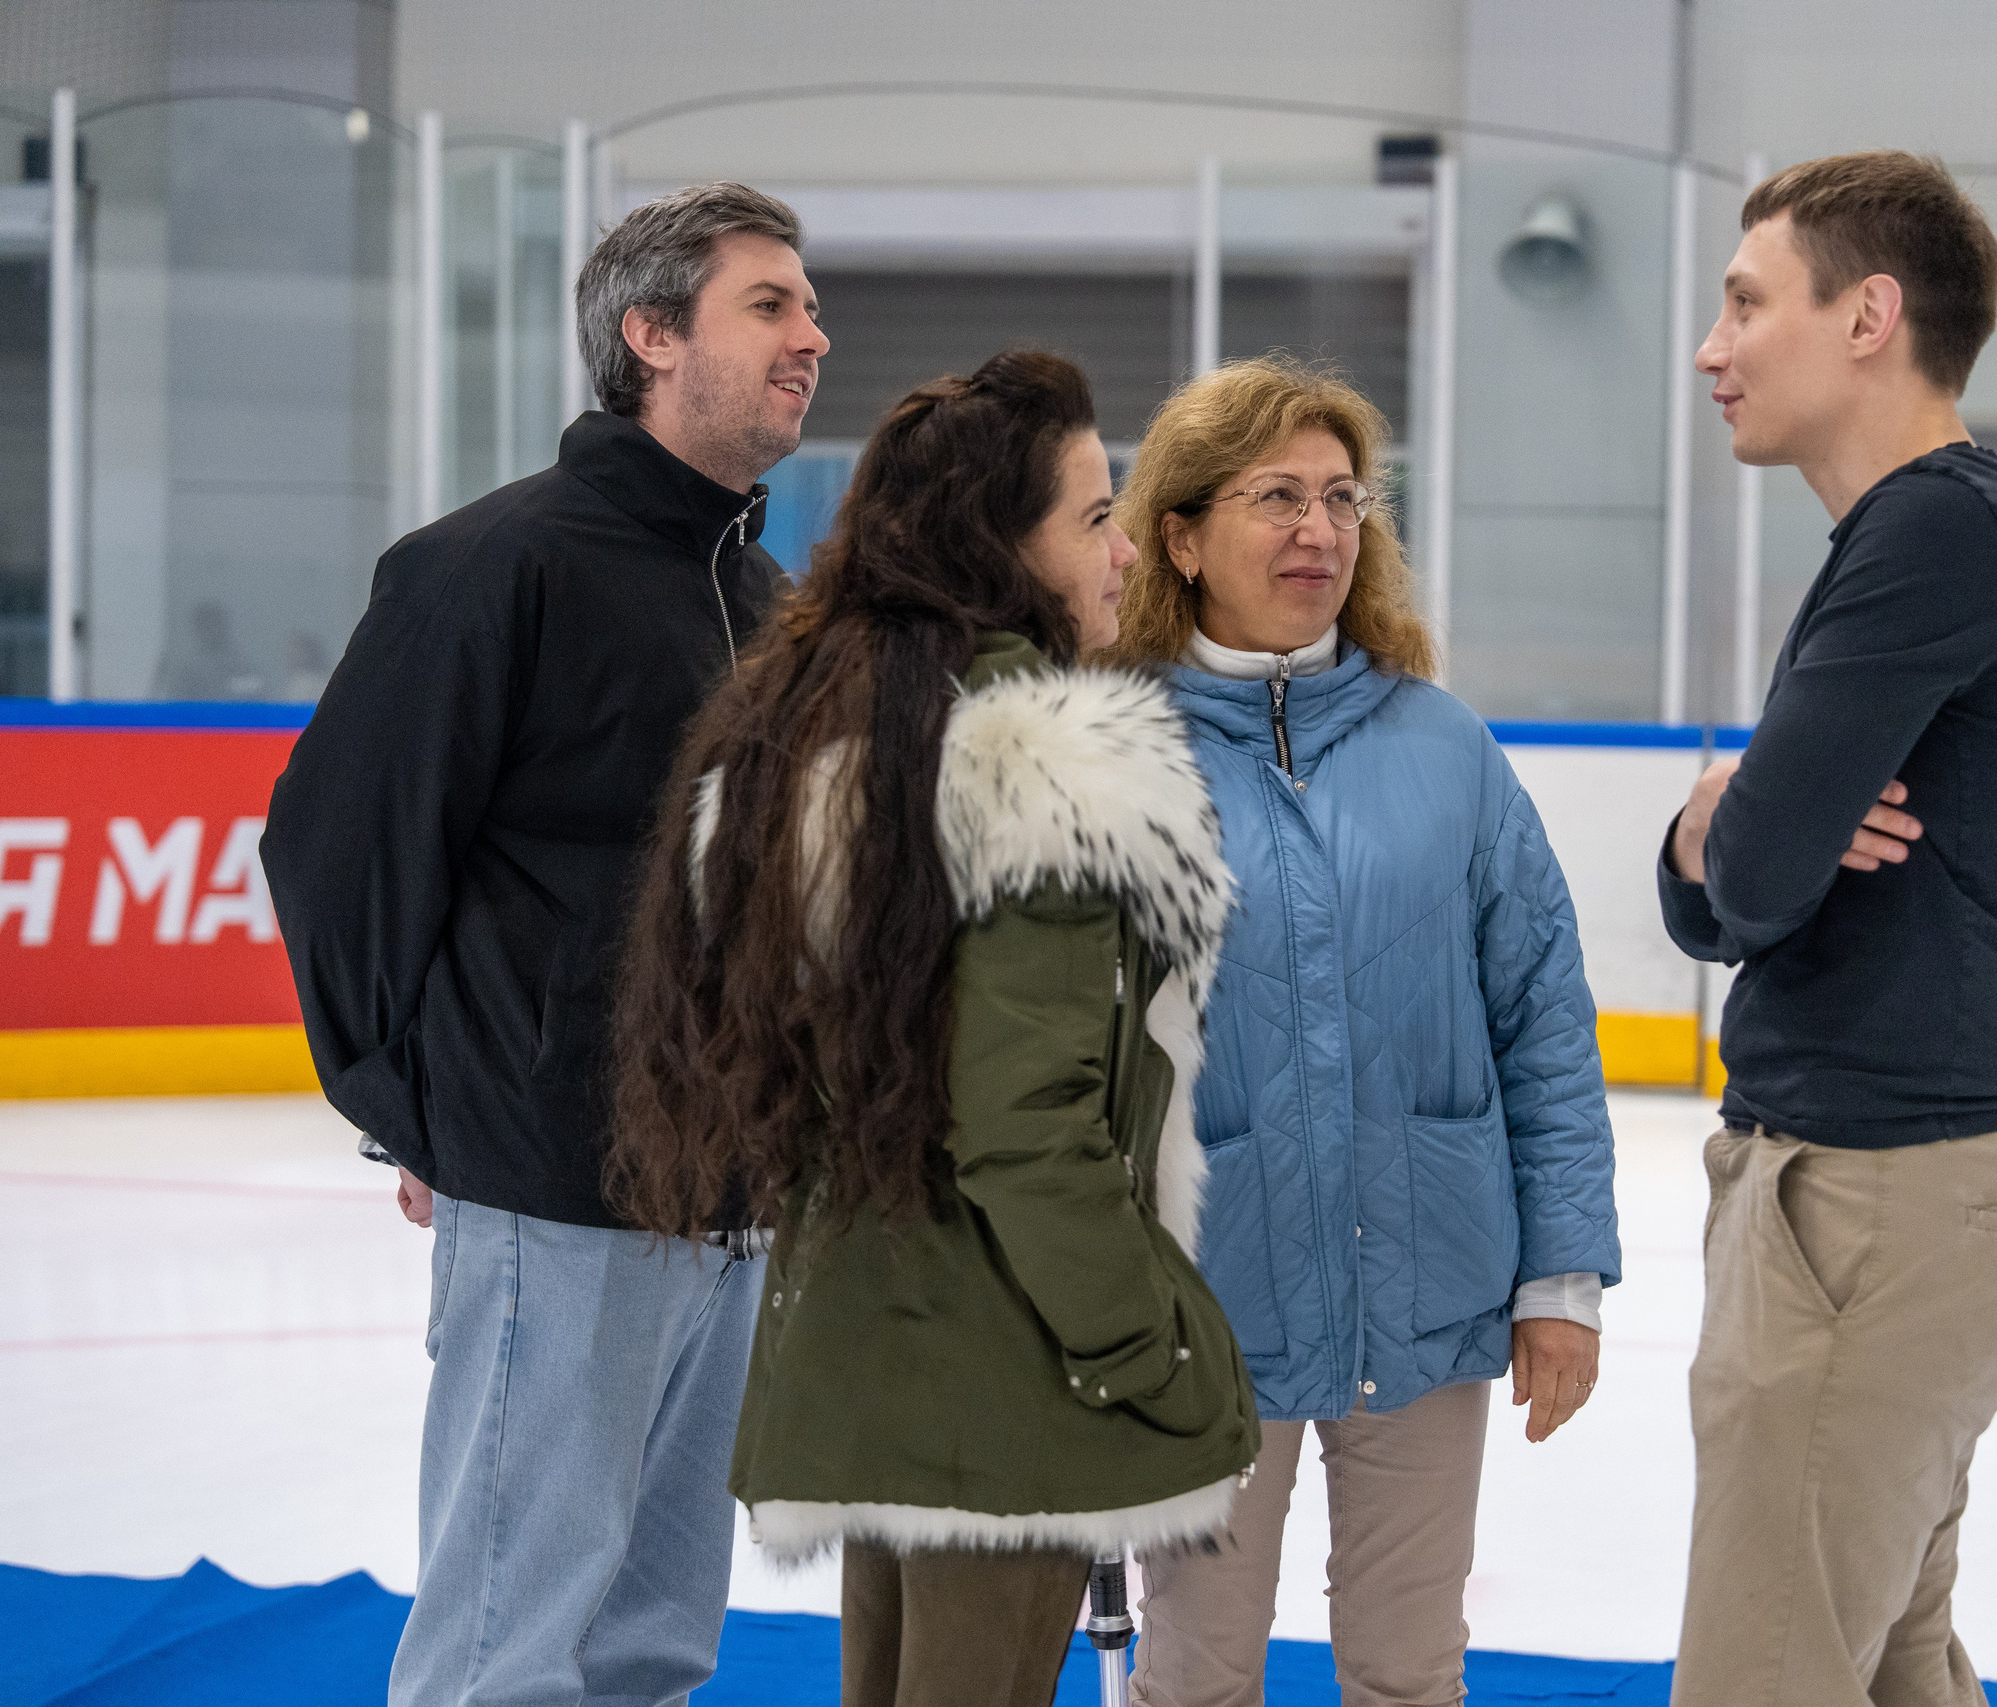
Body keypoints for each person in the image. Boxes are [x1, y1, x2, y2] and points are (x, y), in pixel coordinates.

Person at [606, 348, 1261, 1707]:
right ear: (997, 541)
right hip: (1004, 1374)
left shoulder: (823, 733)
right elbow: (1026, 1128)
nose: (1126, 546)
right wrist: (1150, 1349)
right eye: (1092, 514)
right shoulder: (1037, 765)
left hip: (864, 1351)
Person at [260, 181, 830, 1707]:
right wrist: (416, 1108)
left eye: (808, 306)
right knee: (507, 1648)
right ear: (651, 334)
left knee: (651, 1646)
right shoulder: (489, 568)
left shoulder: (763, 597)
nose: (810, 337)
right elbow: (333, 854)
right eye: (767, 304)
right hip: (558, 1195)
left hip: (732, 1204)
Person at [1658, 153, 1997, 1706]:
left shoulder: (1937, 534)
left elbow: (1755, 876)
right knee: (1897, 1663)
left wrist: (1738, 819)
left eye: (1744, 302)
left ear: (1869, 316)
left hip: (1878, 1210)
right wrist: (1726, 828)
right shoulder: (1927, 536)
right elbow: (1726, 874)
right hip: (1893, 1196)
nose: (1712, 349)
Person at [1111, 357, 1622, 1707]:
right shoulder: (1112, 747)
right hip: (1198, 1306)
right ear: (1180, 533)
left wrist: (1562, 1274)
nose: (1318, 529)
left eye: (1343, 496)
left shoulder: (1444, 744)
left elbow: (1543, 1016)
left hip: (1430, 1285)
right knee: (1196, 1670)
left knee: (1410, 1667)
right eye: (1276, 495)